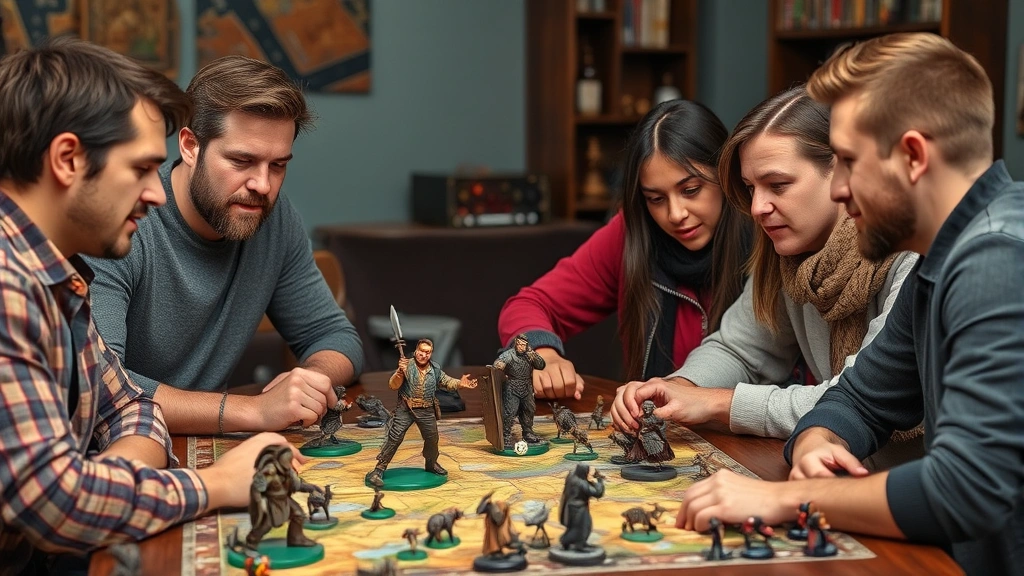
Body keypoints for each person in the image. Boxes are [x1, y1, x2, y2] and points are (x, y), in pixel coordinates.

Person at [674, 33, 1024, 576]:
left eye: (848, 162)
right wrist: (818, 439)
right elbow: (859, 401)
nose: (838, 189)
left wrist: (787, 499)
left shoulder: (995, 261)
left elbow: (966, 488)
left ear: (912, 156)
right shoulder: (945, 253)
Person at [0, 38, 298, 574]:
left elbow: (129, 404)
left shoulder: (51, 273)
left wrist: (107, 488)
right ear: (68, 159)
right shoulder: (7, 285)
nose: (156, 193)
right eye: (140, 169)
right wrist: (212, 484)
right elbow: (56, 505)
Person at [611, 87, 920, 469]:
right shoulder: (787, 253)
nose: (756, 207)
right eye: (750, 188)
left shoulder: (914, 253)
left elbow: (860, 397)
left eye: (778, 185)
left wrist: (719, 403)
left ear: (841, 172)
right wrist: (681, 387)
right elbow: (740, 349)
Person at [85, 55, 362, 435]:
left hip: (207, 450)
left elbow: (336, 336)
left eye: (278, 165)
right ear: (189, 146)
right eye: (241, 160)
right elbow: (99, 384)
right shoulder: (124, 221)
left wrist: (311, 380)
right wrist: (254, 411)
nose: (263, 185)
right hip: (118, 448)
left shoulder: (275, 219)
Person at [498, 99, 751, 399]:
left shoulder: (767, 233)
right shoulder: (632, 233)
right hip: (657, 430)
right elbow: (529, 304)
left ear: (725, 175)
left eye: (690, 191)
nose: (675, 214)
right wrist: (543, 354)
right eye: (656, 198)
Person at [365, 339, 478, 487]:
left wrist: (460, 383)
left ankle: (431, 464)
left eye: (427, 352)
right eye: (421, 351)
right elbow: (393, 385)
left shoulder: (435, 369)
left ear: (431, 354)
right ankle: (379, 469)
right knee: (395, 437)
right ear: (415, 351)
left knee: (432, 439)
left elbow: (446, 381)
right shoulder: (406, 365)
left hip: (426, 409)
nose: (423, 355)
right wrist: (400, 372)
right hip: (406, 409)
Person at [493, 333, 546, 447]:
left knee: (529, 410)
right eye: (519, 344)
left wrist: (534, 356)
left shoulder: (529, 355)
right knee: (510, 412)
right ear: (515, 344)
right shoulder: (509, 354)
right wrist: (499, 365)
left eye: (524, 345)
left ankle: (528, 433)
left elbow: (541, 365)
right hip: (512, 386)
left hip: (527, 386)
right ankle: (505, 435)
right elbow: (498, 363)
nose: (521, 347)